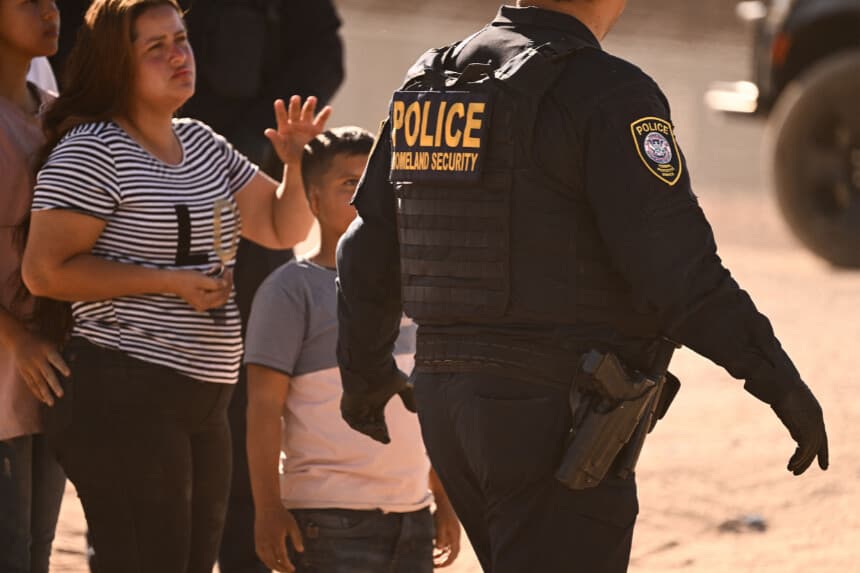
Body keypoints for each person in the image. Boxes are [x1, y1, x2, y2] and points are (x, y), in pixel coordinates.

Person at [334, 1, 830, 572]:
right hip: (554, 414)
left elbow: (365, 247)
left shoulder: (433, 78)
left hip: (448, 402)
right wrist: (776, 379)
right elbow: (676, 270)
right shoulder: (607, 91)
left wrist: (366, 373)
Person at [19, 1, 328, 571]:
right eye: (154, 47)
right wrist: (167, 283)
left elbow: (281, 226)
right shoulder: (93, 148)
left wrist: (292, 165)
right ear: (118, 63)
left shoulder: (201, 142)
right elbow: (45, 271)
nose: (178, 55)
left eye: (180, 39)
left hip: (203, 397)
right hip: (122, 388)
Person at [244, 126, 461, 573]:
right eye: (350, 184)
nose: (367, 198)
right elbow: (263, 407)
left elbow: (431, 410)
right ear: (313, 199)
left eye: (377, 185)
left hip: (412, 515)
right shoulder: (291, 289)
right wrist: (267, 509)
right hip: (327, 518)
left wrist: (444, 499)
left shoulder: (418, 288)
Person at [178, 3, 345, 570]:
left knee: (250, 377)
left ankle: (246, 539)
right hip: (147, 172)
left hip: (254, 180)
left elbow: (322, 54)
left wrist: (256, 148)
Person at [0, 1, 66, 572]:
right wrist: (13, 338)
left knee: (35, 553)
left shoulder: (58, 115)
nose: (50, 11)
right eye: (28, 2)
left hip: (49, 371)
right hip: (5, 363)